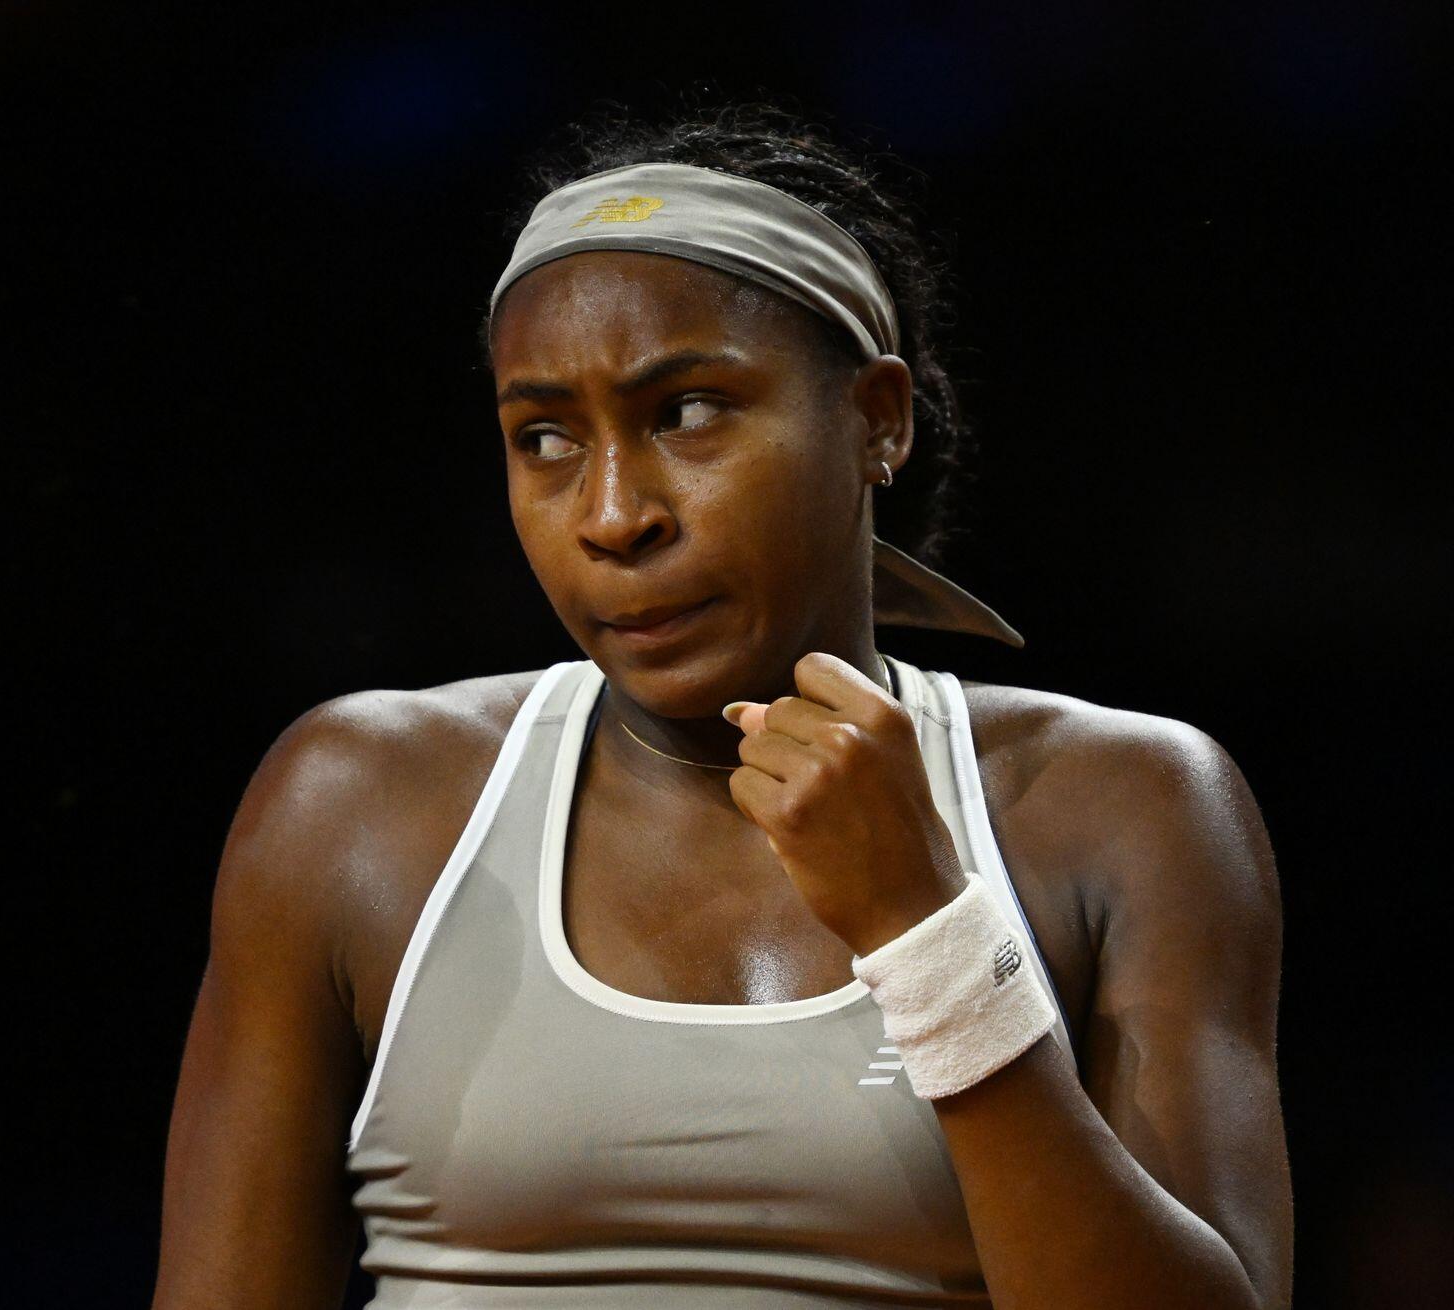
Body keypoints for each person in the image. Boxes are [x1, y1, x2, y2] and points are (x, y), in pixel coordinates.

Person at [152, 102, 1292, 1309]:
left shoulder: (1128, 807)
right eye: (543, 437)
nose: (611, 515)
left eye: (686, 412)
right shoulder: (351, 803)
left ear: (876, 419)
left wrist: (930, 938)